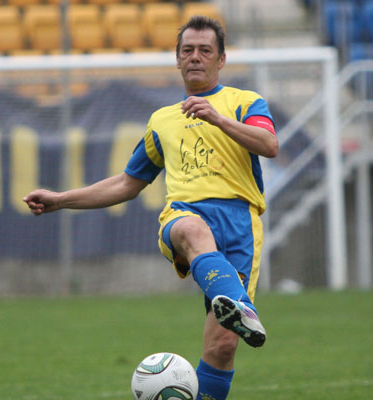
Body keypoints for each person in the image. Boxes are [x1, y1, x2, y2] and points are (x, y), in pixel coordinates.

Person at [23, 16, 278, 400]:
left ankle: (233, 310)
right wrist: (60, 200)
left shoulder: (244, 102)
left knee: (222, 348)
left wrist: (217, 118)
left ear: (221, 59)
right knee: (192, 231)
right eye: (187, 50)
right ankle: (238, 304)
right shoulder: (161, 120)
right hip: (184, 216)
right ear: (177, 60)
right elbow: (127, 183)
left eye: (205, 50)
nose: (195, 57)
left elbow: (269, 144)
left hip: (241, 225)